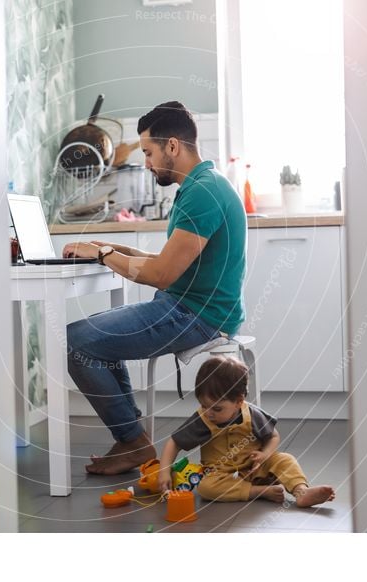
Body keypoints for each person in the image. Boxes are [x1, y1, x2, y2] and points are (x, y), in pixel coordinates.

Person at [63, 101, 247, 475]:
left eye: (148, 152)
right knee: (93, 339)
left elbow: (161, 275)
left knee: (77, 341)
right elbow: (167, 261)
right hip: (188, 307)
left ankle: (132, 441)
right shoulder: (200, 186)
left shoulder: (202, 193)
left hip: (195, 315)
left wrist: (104, 255)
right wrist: (104, 249)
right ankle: (131, 437)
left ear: (173, 146)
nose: (145, 162)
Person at [158, 356, 336, 507]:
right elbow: (174, 442)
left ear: (239, 401)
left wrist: (265, 454)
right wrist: (164, 471)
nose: (208, 412)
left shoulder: (252, 414)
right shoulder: (203, 419)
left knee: (285, 459)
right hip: (221, 475)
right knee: (206, 487)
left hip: (256, 468)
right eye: (204, 406)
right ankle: (258, 492)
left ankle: (301, 491)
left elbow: (273, 436)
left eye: (217, 409)